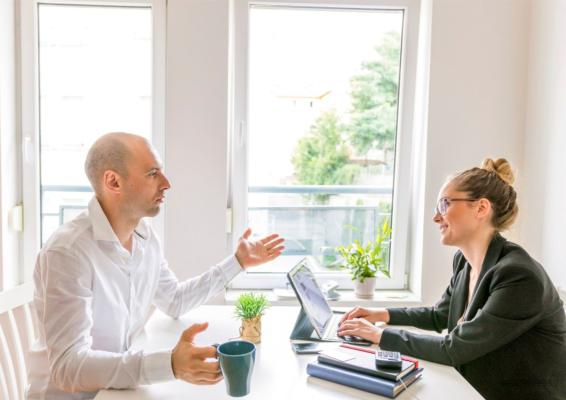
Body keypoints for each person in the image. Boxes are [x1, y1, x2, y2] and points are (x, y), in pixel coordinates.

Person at [27, 132, 285, 400]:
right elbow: (68, 368)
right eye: (152, 174)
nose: (166, 183)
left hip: (117, 392)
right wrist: (169, 365)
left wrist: (238, 262)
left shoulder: (145, 237)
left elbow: (174, 301)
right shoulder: (68, 252)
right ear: (113, 181)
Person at [338, 158, 566, 400]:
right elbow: (439, 315)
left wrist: (379, 335)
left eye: (444, 204)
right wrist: (382, 314)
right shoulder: (465, 262)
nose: (436, 217)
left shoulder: (520, 276)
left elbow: (454, 348)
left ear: (481, 208)